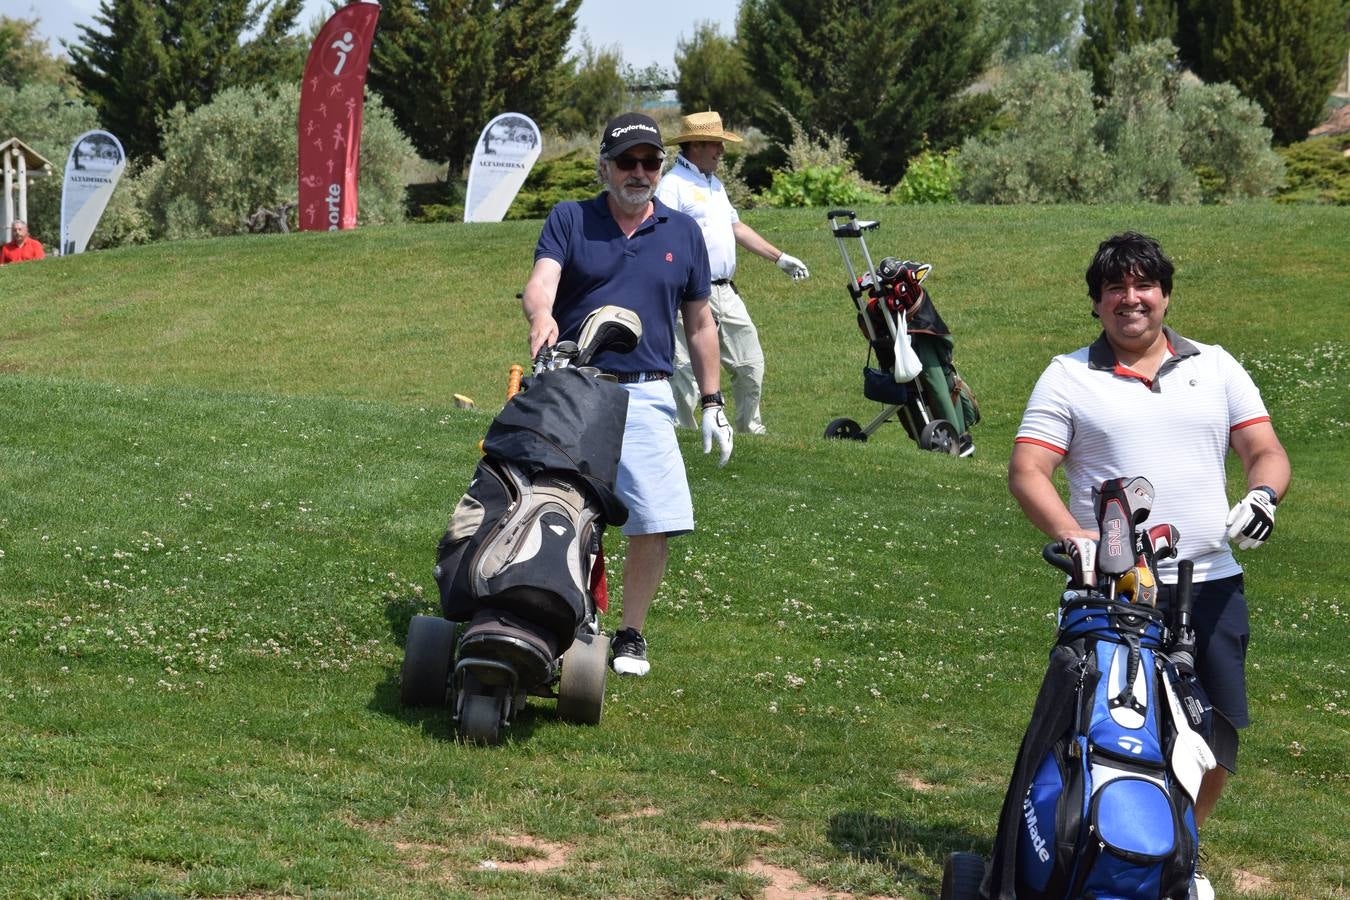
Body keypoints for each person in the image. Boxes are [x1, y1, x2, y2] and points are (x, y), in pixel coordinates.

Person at [1008, 231, 1290, 900]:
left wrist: (1263, 497)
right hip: (1114, 593)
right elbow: (1028, 471)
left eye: (1143, 286)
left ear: (1164, 294)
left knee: (1214, 736)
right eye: (1115, 289)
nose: (1130, 299)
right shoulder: (1069, 374)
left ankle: (1172, 856)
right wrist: (1076, 535)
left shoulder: (1215, 366)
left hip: (1210, 585)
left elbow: (1265, 450)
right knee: (1101, 729)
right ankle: (1084, 843)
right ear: (1098, 303)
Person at [521, 112, 733, 677]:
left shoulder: (683, 232)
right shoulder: (571, 219)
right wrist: (541, 314)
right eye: (627, 162)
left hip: (648, 394)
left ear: (661, 168)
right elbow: (543, 281)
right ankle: (559, 612)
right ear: (605, 167)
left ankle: (631, 634)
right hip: (574, 387)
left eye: (650, 162)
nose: (639, 173)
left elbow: (701, 323)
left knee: (655, 519)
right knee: (557, 505)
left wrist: (712, 402)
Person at [653, 111, 810, 434]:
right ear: (695, 144)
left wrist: (779, 258)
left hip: (726, 291)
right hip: (689, 294)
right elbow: (659, 237)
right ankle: (683, 435)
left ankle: (749, 430)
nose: (721, 151)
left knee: (750, 363)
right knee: (684, 371)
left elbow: (735, 227)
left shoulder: (715, 184)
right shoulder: (672, 186)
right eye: (716, 144)